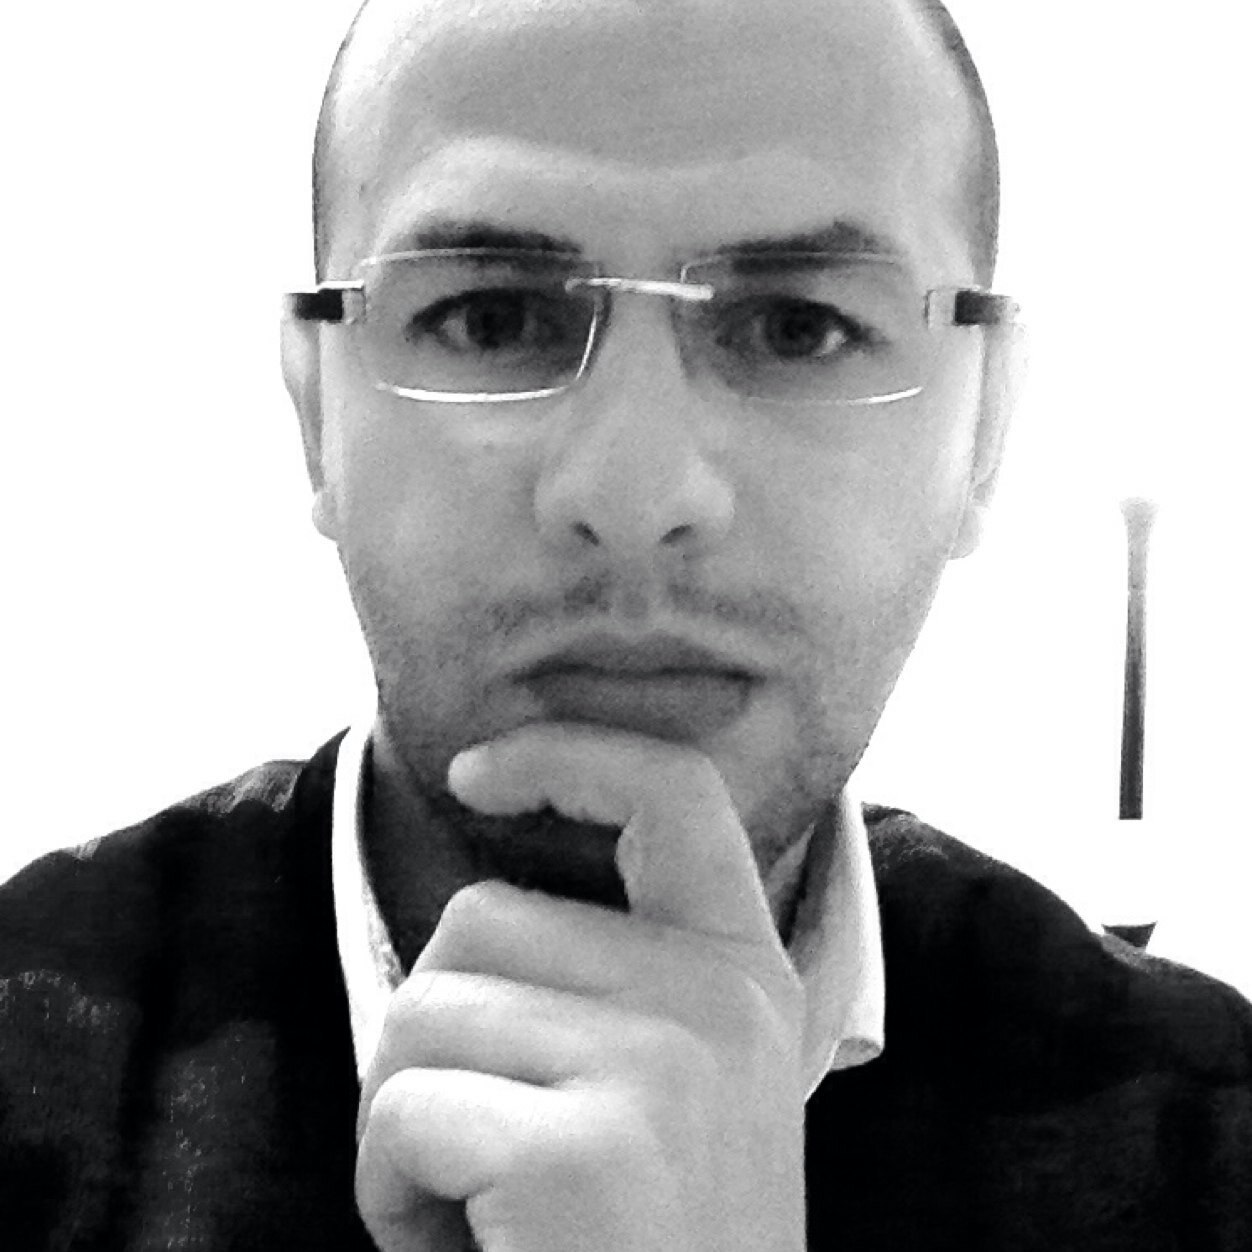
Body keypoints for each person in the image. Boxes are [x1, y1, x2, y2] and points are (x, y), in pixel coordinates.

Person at [1, 0, 1249, 1248]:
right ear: (316, 413)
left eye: (797, 327)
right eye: (493, 318)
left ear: (983, 435)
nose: (635, 495)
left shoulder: (1210, 1141)